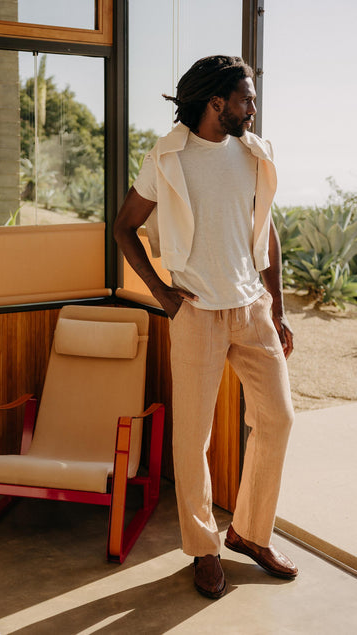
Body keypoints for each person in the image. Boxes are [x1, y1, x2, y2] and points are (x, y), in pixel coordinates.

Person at [114, 55, 298, 599]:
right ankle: (203, 548)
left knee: (279, 419)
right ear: (217, 103)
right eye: (246, 98)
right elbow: (125, 228)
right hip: (195, 311)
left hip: (252, 310)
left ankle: (248, 532)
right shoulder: (168, 156)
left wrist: (279, 309)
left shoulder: (253, 154)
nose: (254, 107)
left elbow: (267, 235)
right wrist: (164, 295)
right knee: (192, 438)